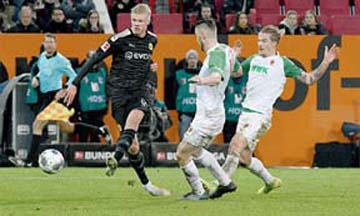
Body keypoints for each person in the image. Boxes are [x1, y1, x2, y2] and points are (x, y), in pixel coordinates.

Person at [64, 3, 170, 197]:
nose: (136, 24)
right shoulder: (118, 39)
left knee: (134, 121)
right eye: (134, 21)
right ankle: (147, 185)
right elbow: (94, 58)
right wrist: (75, 83)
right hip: (119, 94)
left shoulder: (153, 40)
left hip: (140, 92)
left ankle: (115, 156)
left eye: (140, 21)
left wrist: (150, 70)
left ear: (148, 21)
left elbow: (145, 63)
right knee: (134, 146)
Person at [221, 25, 338, 194]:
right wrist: (233, 57)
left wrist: (325, 62)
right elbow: (236, 73)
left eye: (264, 41)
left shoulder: (283, 63)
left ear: (275, 43)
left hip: (260, 116)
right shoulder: (253, 59)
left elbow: (309, 79)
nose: (259, 44)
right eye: (258, 40)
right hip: (245, 114)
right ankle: (271, 181)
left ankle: (220, 183)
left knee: (235, 145)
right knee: (245, 158)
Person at [25, 33, 111, 166]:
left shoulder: (62, 60)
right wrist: (37, 78)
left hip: (56, 97)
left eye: (51, 42)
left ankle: (30, 160)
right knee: (67, 128)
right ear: (44, 44)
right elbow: (43, 71)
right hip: (46, 96)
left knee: (37, 124)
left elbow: (74, 76)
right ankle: (100, 130)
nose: (49, 45)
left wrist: (64, 89)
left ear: (55, 44)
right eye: (47, 42)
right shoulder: (42, 57)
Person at [175, 19, 238, 200]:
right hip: (212, 113)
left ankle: (199, 192)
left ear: (202, 36)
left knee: (181, 154)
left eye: (197, 36)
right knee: (195, 151)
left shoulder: (216, 53)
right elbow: (237, 72)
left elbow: (217, 77)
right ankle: (226, 182)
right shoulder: (227, 51)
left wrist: (201, 80)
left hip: (209, 115)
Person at [76, 50, 108, 142]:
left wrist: (106, 104)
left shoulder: (103, 71)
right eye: (91, 58)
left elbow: (107, 88)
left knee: (96, 136)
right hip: (84, 109)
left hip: (99, 109)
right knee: (83, 135)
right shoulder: (79, 72)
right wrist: (77, 108)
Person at [175, 49, 200, 140]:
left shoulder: (203, 74)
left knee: (199, 138)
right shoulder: (179, 74)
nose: (192, 60)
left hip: (199, 111)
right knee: (184, 137)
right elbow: (175, 92)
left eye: (194, 58)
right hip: (185, 111)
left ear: (198, 60)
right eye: (190, 58)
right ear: (186, 60)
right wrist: (178, 109)